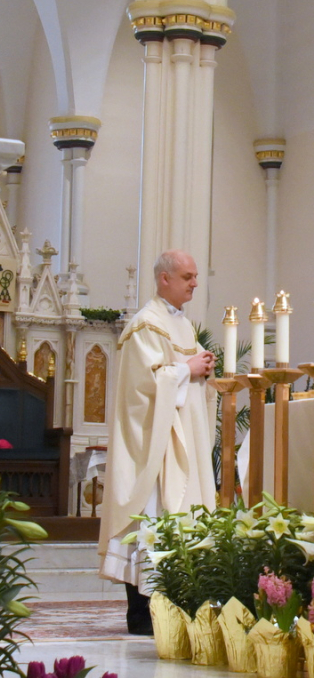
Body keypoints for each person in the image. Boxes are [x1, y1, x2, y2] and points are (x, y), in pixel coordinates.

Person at [98, 250, 217, 635]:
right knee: (152, 518)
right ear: (164, 279)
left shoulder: (182, 326)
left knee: (175, 520)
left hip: (181, 439)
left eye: (196, 276)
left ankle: (174, 605)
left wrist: (202, 370)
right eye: (187, 277)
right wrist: (187, 368)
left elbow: (183, 378)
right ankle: (143, 613)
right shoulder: (145, 325)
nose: (194, 283)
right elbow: (141, 388)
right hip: (156, 446)